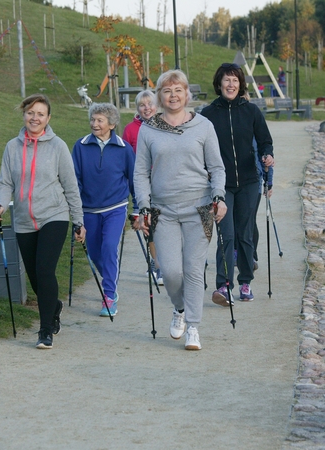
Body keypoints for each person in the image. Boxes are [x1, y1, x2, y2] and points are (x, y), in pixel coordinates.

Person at [134, 69, 227, 351]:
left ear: (187, 94)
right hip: (163, 209)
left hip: (199, 208)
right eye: (167, 90)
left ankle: (194, 328)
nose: (173, 95)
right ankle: (180, 309)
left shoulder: (204, 126)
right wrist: (144, 205)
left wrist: (219, 196)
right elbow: (140, 173)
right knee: (172, 271)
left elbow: (217, 167)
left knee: (193, 268)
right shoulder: (148, 129)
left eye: (178, 90)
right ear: (160, 96)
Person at [0, 93, 86, 350]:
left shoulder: (57, 146)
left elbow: (71, 187)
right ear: (24, 114)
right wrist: (0, 203)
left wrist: (78, 221)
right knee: (35, 276)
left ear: (48, 118)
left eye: (40, 114)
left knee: (45, 270)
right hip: (23, 219)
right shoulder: (12, 147)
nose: (35, 118)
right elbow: (5, 182)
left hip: (54, 215)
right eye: (31, 112)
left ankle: (45, 330)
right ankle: (53, 304)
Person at [200, 62, 274, 306]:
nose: (231, 84)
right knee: (226, 234)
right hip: (221, 185)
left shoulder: (251, 111)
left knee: (244, 234)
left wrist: (267, 155)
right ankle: (223, 285)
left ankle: (245, 281)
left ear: (241, 84)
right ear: (219, 84)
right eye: (226, 80)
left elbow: (265, 141)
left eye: (235, 80)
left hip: (249, 182)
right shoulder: (208, 114)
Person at [72, 103, 137, 317]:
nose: (94, 123)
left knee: (109, 246)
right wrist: (76, 210)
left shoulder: (124, 148)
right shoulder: (80, 146)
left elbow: (133, 179)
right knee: (94, 253)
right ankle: (109, 276)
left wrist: (137, 206)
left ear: (112, 124)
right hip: (89, 209)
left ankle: (109, 294)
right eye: (93, 119)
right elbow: (76, 180)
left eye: (99, 120)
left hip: (115, 207)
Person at [122, 90, 163, 285]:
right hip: (142, 182)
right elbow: (126, 157)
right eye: (142, 105)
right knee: (151, 225)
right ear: (137, 108)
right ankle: (157, 264)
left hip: (165, 182)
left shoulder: (165, 124)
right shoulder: (131, 129)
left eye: (150, 104)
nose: (147, 108)